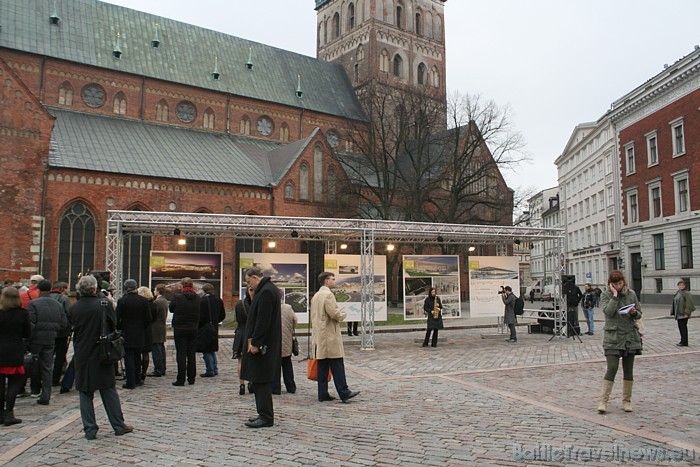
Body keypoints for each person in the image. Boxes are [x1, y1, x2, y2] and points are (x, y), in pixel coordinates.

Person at [69, 275, 133, 440]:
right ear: (95, 288)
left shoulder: (74, 307)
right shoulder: (104, 305)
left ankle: (90, 429)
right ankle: (118, 425)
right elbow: (114, 325)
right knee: (108, 389)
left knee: (85, 392)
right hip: (102, 351)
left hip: (82, 352)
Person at [240, 267, 281, 428]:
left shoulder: (266, 292)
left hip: (263, 346)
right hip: (264, 343)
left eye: (249, 281)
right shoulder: (266, 290)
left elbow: (262, 321)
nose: (249, 285)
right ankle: (262, 413)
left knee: (261, 380)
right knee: (258, 380)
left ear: (255, 277)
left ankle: (266, 416)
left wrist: (256, 343)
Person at [310, 271, 360, 404]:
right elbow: (334, 314)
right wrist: (342, 314)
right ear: (326, 281)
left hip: (320, 335)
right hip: (329, 335)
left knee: (323, 365)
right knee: (337, 364)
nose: (334, 281)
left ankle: (323, 393)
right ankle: (344, 392)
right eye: (332, 279)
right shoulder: (328, 295)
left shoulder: (316, 295)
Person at [597, 270, 642, 414]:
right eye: (615, 284)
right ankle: (603, 401)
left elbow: (639, 313)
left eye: (620, 283)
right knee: (612, 367)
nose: (618, 286)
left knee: (628, 370)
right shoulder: (605, 295)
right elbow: (608, 312)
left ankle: (627, 401)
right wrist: (615, 297)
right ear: (610, 284)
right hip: (613, 337)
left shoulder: (631, 294)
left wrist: (634, 312)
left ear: (624, 282)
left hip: (629, 336)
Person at [27, 279, 68, 405]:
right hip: (51, 338)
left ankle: (34, 389)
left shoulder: (33, 303)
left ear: (39, 290)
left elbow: (31, 323)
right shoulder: (58, 304)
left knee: (33, 363)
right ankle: (46, 395)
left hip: (36, 339)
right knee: (47, 367)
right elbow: (64, 324)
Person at [0, 286, 32, 426]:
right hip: (14, 350)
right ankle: (9, 413)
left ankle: (0, 413)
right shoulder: (22, 313)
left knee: (0, 384)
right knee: (14, 383)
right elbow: (27, 333)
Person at [115, 280, 151, 389]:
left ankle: (130, 381)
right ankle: (137, 378)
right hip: (140, 332)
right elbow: (148, 318)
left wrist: (120, 328)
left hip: (127, 332)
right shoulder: (143, 301)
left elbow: (117, 318)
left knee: (129, 357)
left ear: (126, 288)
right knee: (137, 356)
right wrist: (142, 327)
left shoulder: (122, 301)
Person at [170, 277, 201, 386]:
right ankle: (191, 378)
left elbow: (171, 309)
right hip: (193, 328)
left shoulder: (177, 297)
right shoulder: (197, 298)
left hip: (180, 328)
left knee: (181, 354)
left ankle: (181, 378)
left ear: (182, 285)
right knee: (191, 354)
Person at [199, 283, 226, 377]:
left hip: (205, 327)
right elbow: (223, 315)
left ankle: (210, 369)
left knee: (206, 349)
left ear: (204, 291)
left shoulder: (203, 301)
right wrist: (216, 321)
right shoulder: (218, 300)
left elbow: (200, 316)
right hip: (214, 326)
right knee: (212, 349)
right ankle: (215, 368)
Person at [49, 281, 72, 386]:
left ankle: (44, 377)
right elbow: (69, 313)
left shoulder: (47, 297)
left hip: (49, 331)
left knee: (48, 355)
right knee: (60, 356)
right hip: (62, 332)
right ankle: (55, 379)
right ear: (62, 289)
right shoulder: (64, 299)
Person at [273, 302, 297, 394]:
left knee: (275, 366)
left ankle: (275, 388)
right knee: (287, 364)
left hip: (275, 340)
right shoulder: (288, 307)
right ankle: (291, 387)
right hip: (286, 339)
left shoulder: (272, 307)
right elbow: (295, 321)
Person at [136, 286, 157, 380]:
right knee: (146, 353)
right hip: (148, 329)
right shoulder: (153, 304)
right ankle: (144, 372)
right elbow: (154, 318)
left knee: (137, 352)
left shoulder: (139, 303)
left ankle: (137, 371)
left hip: (139, 329)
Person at [232, 291, 251, 395]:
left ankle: (241, 384)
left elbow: (237, 318)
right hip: (250, 333)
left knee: (240, 360)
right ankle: (250, 382)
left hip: (240, 332)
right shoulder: (254, 303)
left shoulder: (239, 304)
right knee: (252, 359)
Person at [148, 284, 169, 377]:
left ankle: (158, 369)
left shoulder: (157, 302)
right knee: (161, 348)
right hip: (161, 326)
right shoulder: (164, 301)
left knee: (156, 348)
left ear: (158, 291)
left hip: (156, 327)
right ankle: (162, 367)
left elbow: (153, 314)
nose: (154, 292)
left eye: (155, 290)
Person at [672, 280, 695, 347]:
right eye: (679, 285)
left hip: (683, 314)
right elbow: (675, 302)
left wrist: (687, 313)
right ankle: (682, 340)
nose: (681, 286)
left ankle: (684, 342)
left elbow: (689, 304)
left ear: (685, 286)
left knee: (683, 327)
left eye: (682, 285)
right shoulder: (678, 293)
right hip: (678, 313)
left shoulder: (686, 293)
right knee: (681, 327)